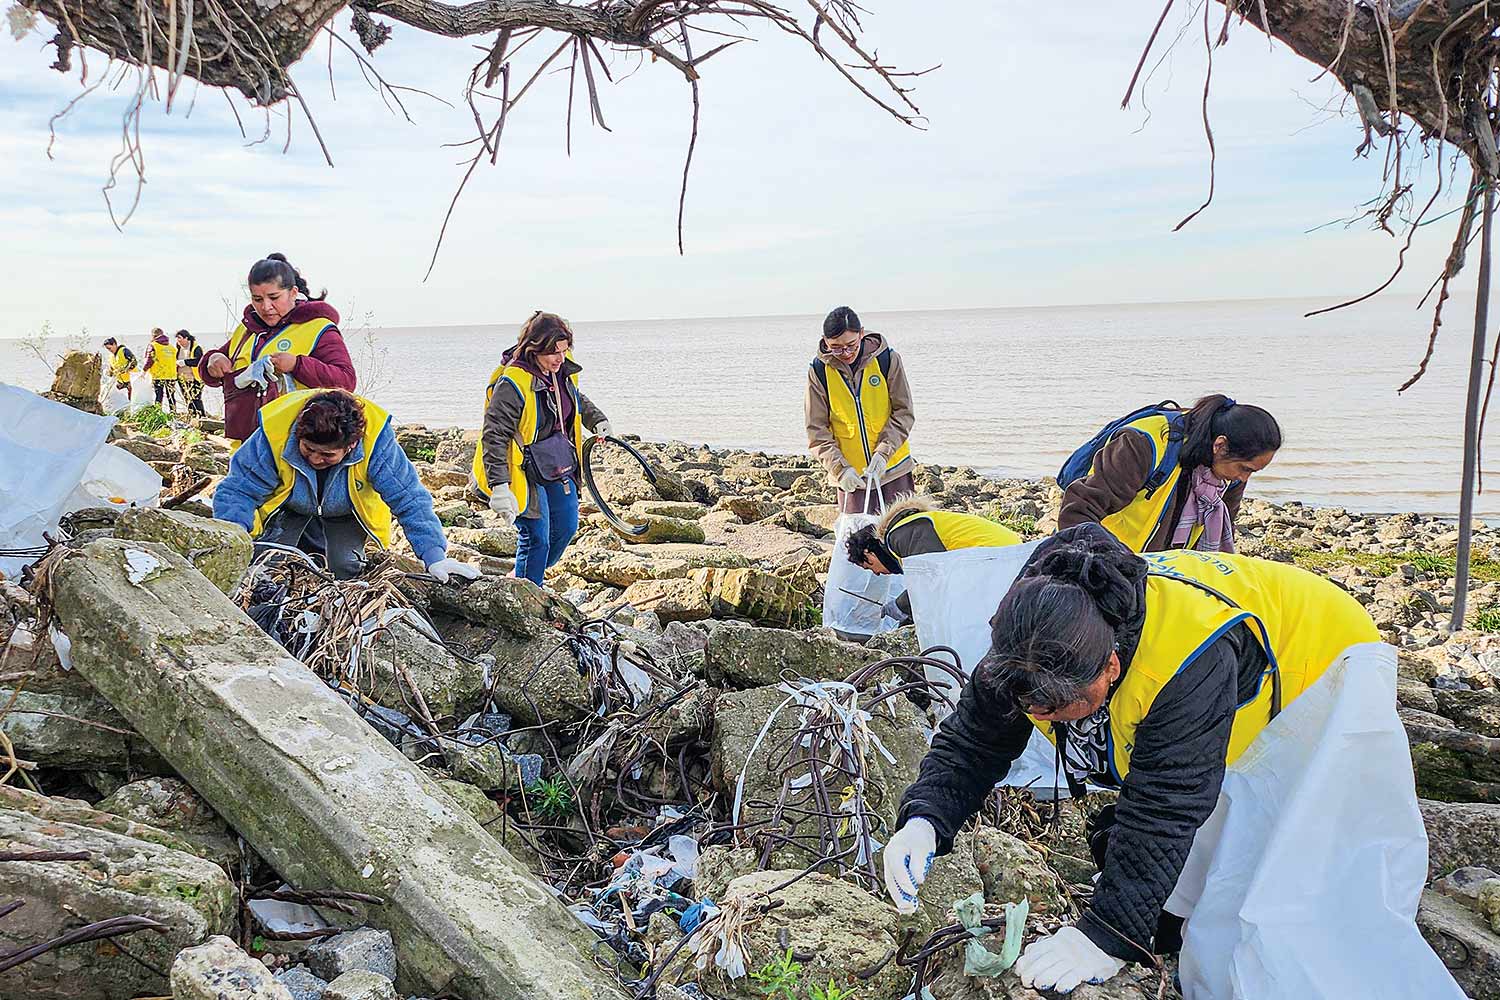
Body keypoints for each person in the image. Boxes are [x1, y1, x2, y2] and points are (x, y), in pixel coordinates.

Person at [881, 523, 1381, 993]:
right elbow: (974, 741)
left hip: (1324, 662)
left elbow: (1166, 803)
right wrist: (925, 819)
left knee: (1275, 858)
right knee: (1193, 842)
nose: (1048, 720)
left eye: (1061, 708)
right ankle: (1168, 921)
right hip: (1229, 670)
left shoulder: (1185, 662)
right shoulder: (1027, 642)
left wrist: (1107, 935)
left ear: (1112, 666)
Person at [214, 389, 478, 583]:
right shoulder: (275, 435)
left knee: (347, 569)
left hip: (346, 512)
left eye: (327, 455)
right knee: (266, 568)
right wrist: (232, 536)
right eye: (309, 450)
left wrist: (434, 556)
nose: (316, 459)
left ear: (351, 446)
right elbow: (239, 490)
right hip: (286, 507)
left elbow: (409, 499)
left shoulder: (377, 443)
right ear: (299, 436)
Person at [470, 311, 612, 586]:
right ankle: (527, 594)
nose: (560, 358)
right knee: (536, 537)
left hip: (556, 460)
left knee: (567, 527)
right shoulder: (512, 383)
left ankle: (521, 575)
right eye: (553, 352)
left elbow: (575, 398)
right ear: (534, 348)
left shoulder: (561, 370)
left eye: (564, 349)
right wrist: (500, 486)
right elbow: (494, 435)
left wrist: (598, 420)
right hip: (521, 469)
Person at [1058, 395, 1281, 553]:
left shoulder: (1226, 477)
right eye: (1246, 469)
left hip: (1166, 574)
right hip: (1113, 564)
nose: (1244, 479)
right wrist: (1102, 564)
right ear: (1220, 445)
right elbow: (1078, 511)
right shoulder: (1142, 445)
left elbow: (1223, 534)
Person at [198, 253, 356, 448]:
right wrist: (212, 360)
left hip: (297, 448)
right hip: (244, 448)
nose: (266, 307)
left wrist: (297, 365)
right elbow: (210, 373)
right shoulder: (247, 331)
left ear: (293, 292)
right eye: (257, 299)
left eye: (274, 297)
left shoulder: (318, 328)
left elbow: (346, 381)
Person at [806, 306, 915, 513]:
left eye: (851, 345)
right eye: (836, 347)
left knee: (903, 537)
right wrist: (840, 470)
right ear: (825, 341)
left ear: (861, 334)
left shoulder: (887, 360)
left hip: (894, 470)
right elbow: (816, 430)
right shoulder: (819, 371)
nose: (845, 353)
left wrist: (884, 453)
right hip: (852, 478)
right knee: (857, 540)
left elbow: (904, 412)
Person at [844, 496, 1022, 623]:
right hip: (1005, 551)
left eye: (869, 567)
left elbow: (932, 580)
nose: (877, 573)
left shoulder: (900, 535)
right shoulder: (910, 526)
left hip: (999, 557)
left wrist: (901, 606)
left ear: (869, 553)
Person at [143, 328, 179, 412]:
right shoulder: (171, 347)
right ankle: (173, 413)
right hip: (171, 375)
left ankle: (158, 413)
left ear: (153, 336)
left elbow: (149, 359)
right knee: (171, 396)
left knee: (159, 396)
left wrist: (144, 371)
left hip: (159, 375)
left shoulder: (153, 345)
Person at [175, 330, 207, 418]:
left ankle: (202, 417)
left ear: (186, 338)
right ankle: (192, 417)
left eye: (180, 338)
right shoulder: (178, 348)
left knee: (196, 399)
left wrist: (185, 362)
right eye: (177, 338)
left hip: (195, 378)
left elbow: (198, 361)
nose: (178, 340)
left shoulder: (196, 348)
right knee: (187, 399)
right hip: (182, 377)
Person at [103, 337, 138, 402]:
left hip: (131, 380)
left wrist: (125, 369)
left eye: (109, 348)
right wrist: (110, 372)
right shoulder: (111, 356)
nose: (109, 350)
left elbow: (134, 362)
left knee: (131, 400)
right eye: (107, 349)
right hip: (121, 382)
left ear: (114, 344)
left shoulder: (124, 350)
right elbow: (112, 368)